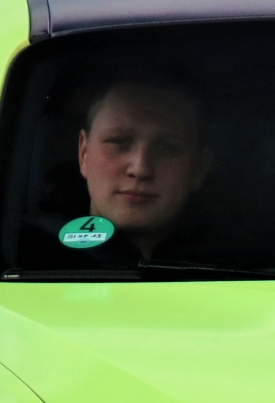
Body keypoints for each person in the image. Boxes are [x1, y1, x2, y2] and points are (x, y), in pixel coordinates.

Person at [57, 73, 214, 263]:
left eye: (167, 147)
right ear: (84, 154)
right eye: (119, 142)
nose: (140, 169)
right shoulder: (27, 255)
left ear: (200, 169)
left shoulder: (240, 269)